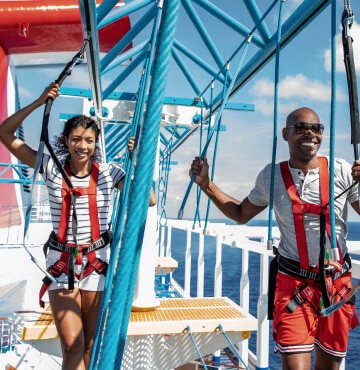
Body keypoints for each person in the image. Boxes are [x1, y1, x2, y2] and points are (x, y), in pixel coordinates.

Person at [189, 107, 360, 370]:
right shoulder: (273, 176)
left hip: (336, 287)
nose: (310, 134)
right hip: (294, 287)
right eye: (301, 127)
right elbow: (241, 213)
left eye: (317, 129)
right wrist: (206, 184)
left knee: (330, 366)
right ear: (285, 134)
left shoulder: (341, 170)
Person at [0, 83, 156, 370]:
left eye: (88, 140)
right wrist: (38, 101)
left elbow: (148, 199)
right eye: (76, 139)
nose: (82, 146)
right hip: (61, 264)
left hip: (96, 264)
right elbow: (5, 134)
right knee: (72, 346)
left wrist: (137, 162)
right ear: (66, 140)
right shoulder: (49, 166)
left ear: (96, 143)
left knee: (89, 345)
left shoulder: (111, 173)